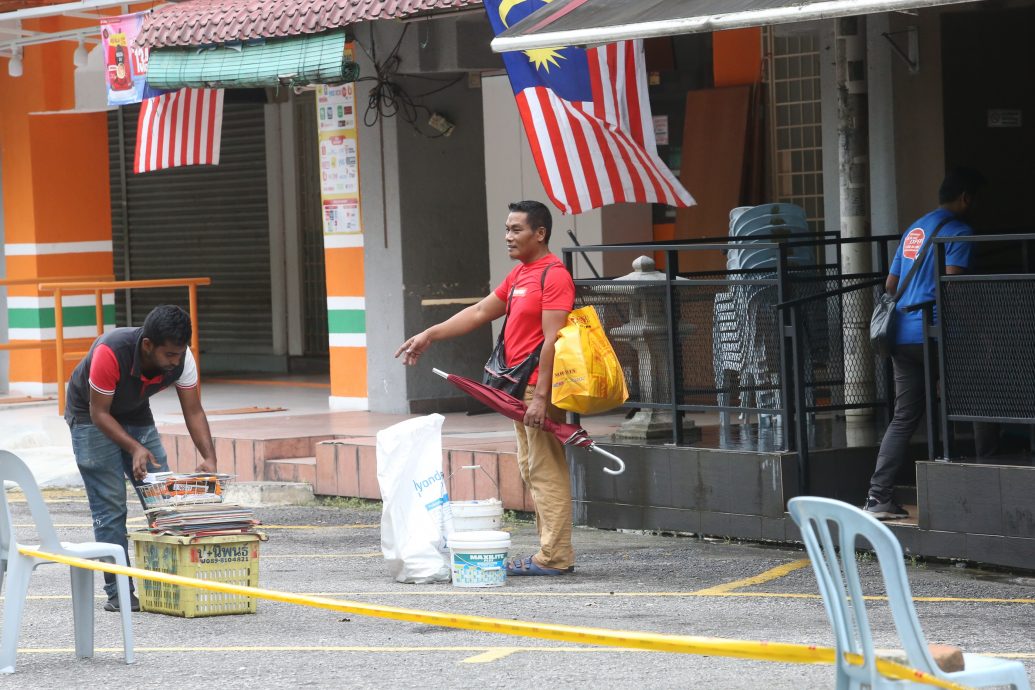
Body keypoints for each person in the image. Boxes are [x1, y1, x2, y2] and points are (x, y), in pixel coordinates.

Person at [395, 200, 576, 575]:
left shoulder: (553, 276)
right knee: (532, 468)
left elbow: (552, 341)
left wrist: (541, 398)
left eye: (516, 230)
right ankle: (551, 553)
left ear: (539, 234)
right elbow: (479, 312)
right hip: (518, 390)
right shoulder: (521, 275)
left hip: (535, 389)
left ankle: (555, 557)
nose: (508, 237)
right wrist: (430, 334)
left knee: (545, 469)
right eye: (507, 229)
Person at [66, 304, 218, 610]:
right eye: (169, 355)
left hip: (134, 412)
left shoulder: (182, 358)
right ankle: (118, 591)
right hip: (90, 416)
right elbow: (99, 414)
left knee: (161, 498)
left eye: (179, 354)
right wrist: (134, 447)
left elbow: (194, 410)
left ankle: (168, 583)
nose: (174, 362)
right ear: (148, 345)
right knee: (110, 505)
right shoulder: (110, 352)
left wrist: (208, 457)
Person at [864, 168, 986, 519]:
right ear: (966, 197)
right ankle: (983, 474)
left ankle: (878, 498)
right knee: (976, 397)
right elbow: (954, 288)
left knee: (904, 416)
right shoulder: (960, 231)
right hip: (935, 333)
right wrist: (979, 331)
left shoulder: (914, 229)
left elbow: (890, 284)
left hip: (900, 334)